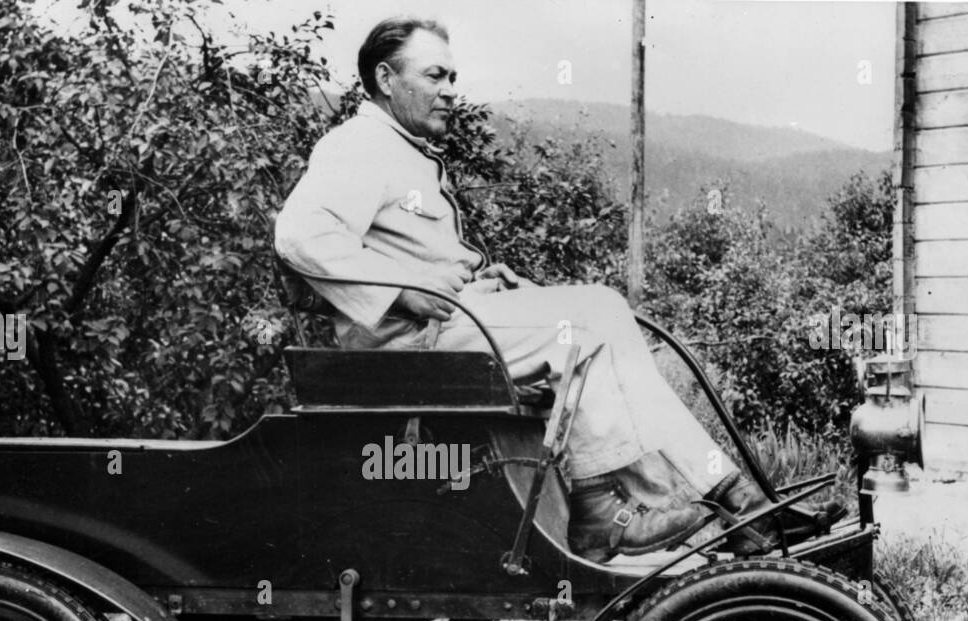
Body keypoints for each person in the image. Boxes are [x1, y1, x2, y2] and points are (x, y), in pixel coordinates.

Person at [275, 17, 840, 562]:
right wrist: (405, 291)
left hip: (446, 329)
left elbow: (404, 249)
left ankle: (733, 503)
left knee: (603, 315)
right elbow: (300, 236)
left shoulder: (401, 148)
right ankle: (636, 508)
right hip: (411, 349)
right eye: (434, 76)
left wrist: (474, 279)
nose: (450, 90)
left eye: (451, 76)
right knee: (595, 316)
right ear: (384, 80)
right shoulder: (357, 145)